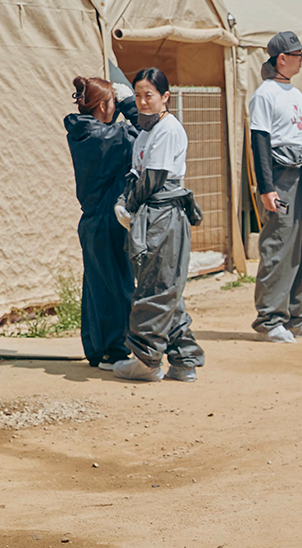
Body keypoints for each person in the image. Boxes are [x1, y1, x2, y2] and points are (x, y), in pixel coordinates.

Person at [112, 67, 204, 383]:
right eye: (137, 95)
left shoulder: (168, 129)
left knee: (155, 289)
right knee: (166, 287)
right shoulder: (147, 131)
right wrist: (126, 201)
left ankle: (146, 360)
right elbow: (137, 174)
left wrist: (130, 205)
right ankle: (184, 359)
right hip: (152, 213)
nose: (142, 102)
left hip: (164, 215)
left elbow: (153, 178)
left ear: (165, 97)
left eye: (148, 95)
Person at [249, 31, 302, 343]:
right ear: (282, 59)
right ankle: (270, 318)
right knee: (280, 245)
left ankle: (299, 317)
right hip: (281, 176)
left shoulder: (295, 93)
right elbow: (260, 141)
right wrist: (266, 188)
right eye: (298, 55)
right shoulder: (265, 94)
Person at [65, 75, 138, 370]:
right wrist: (130, 105)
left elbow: (117, 130)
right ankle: (114, 350)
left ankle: (97, 348)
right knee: (116, 286)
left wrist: (115, 105)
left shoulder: (84, 131)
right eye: (111, 103)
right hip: (108, 219)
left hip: (94, 220)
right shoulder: (103, 137)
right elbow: (142, 133)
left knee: (98, 286)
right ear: (103, 106)